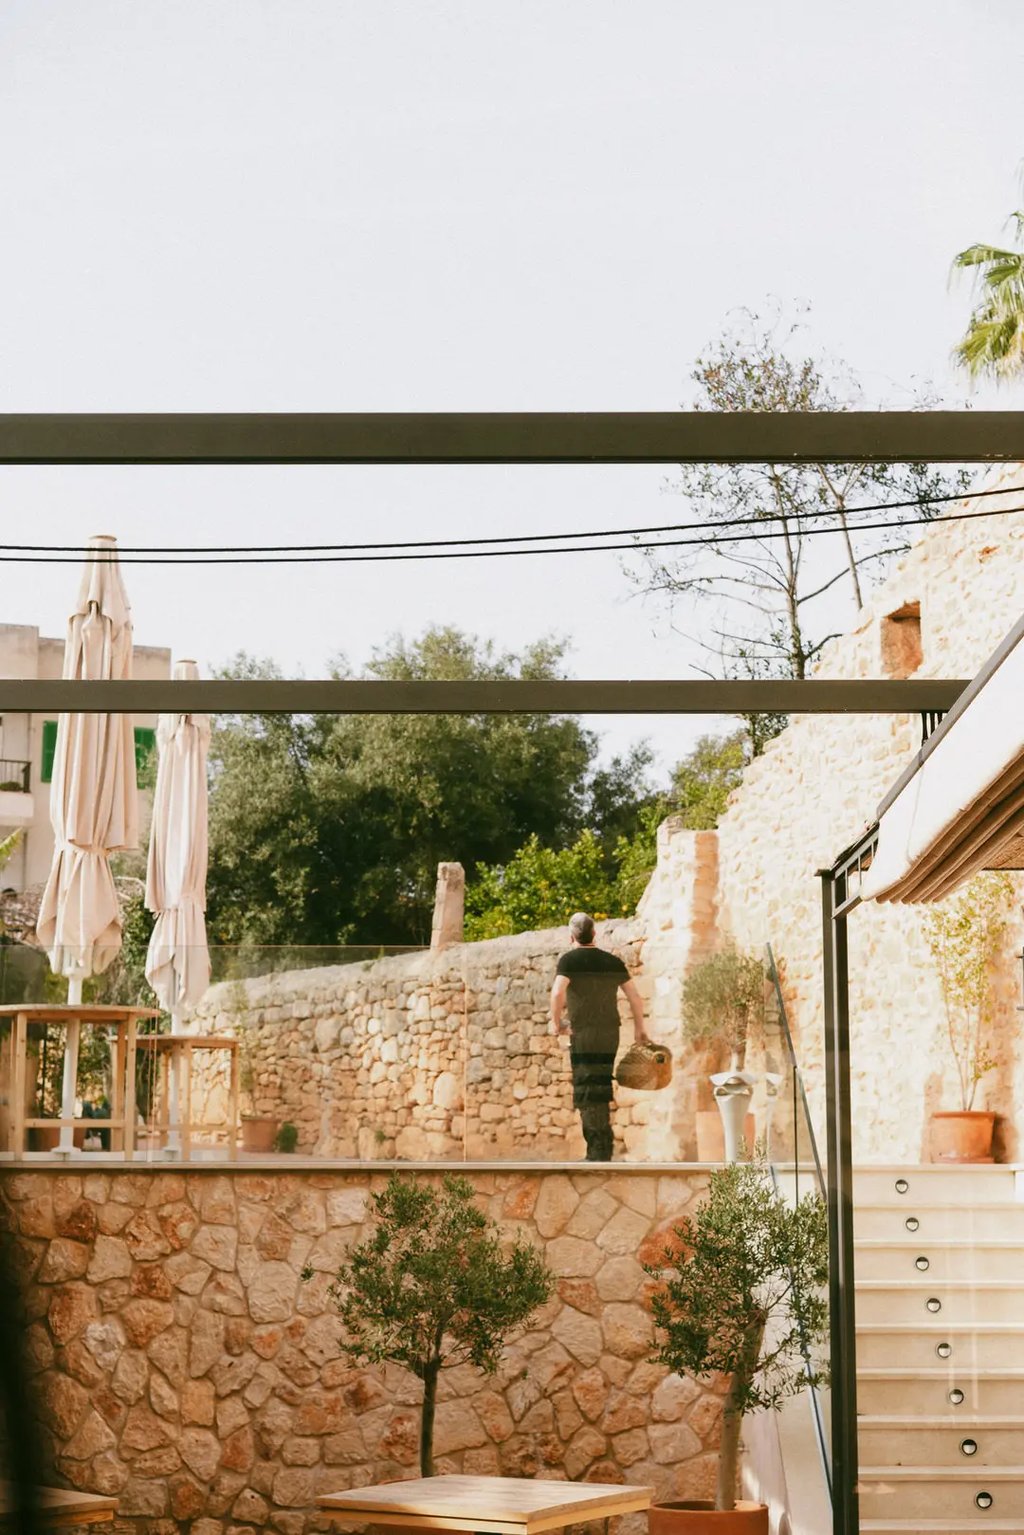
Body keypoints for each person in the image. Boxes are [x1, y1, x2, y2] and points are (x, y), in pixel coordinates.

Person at [550, 911, 647, 1161]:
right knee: (600, 1084)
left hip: (583, 1032)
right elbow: (635, 997)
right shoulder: (611, 962)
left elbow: (557, 993)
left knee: (586, 1087)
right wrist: (639, 1028)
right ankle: (603, 1147)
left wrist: (557, 1022)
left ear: (572, 936)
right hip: (609, 1033)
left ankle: (597, 1150)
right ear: (594, 933)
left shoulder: (569, 961)